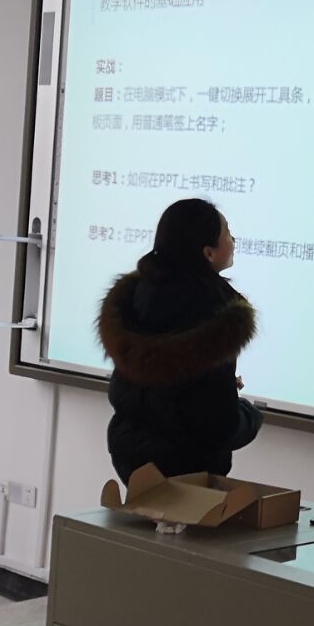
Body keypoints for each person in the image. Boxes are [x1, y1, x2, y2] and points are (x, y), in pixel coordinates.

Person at [98, 198, 263, 483]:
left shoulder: (138, 296)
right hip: (187, 469)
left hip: (131, 459)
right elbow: (216, 424)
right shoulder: (213, 312)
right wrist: (250, 416)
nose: (233, 240)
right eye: (227, 232)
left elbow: (156, 394)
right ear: (208, 252)